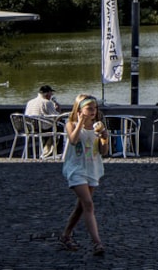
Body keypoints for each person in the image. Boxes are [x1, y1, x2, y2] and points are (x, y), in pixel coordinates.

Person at [59, 94, 110, 256]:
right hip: (76, 169)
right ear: (80, 110)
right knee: (88, 204)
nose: (93, 111)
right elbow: (73, 140)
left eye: (94, 108)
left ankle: (65, 235)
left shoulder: (98, 127)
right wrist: (80, 121)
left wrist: (104, 138)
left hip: (92, 169)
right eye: (89, 108)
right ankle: (97, 243)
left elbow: (103, 152)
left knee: (81, 207)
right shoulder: (71, 124)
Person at [25, 84, 60, 158]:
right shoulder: (47, 102)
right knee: (58, 128)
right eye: (51, 93)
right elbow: (56, 117)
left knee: (48, 127)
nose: (51, 95)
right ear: (47, 93)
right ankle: (52, 153)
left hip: (30, 128)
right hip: (42, 128)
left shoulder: (30, 102)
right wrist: (58, 109)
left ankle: (45, 151)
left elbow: (26, 115)